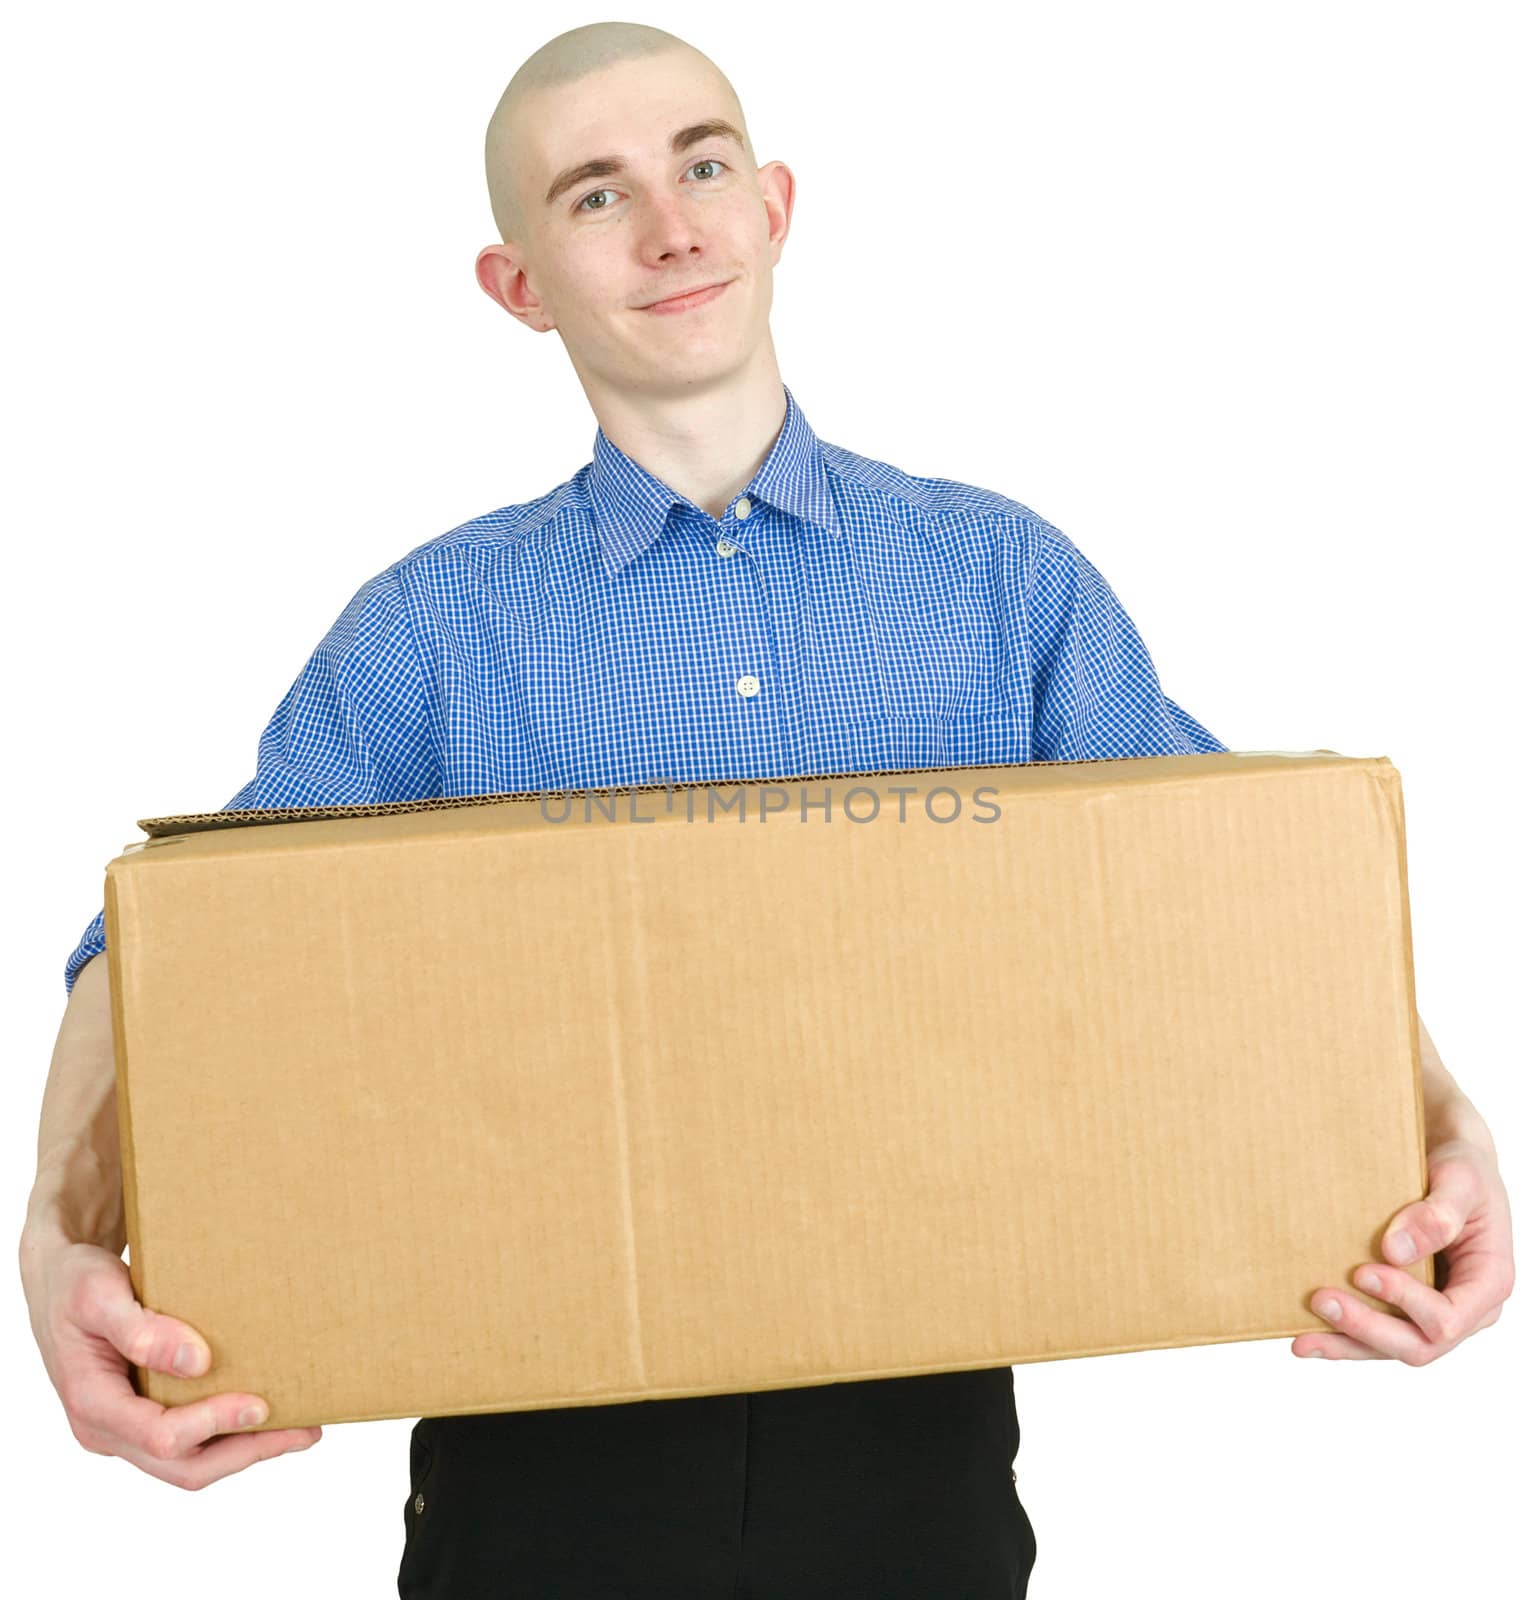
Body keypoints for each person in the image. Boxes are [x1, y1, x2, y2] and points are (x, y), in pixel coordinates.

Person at [20, 19, 1514, 1600]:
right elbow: (162, 949)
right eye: (593, 196)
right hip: (531, 1485)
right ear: (518, 284)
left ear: (774, 204)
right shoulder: (432, 632)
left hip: (920, 1466)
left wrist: (1442, 1130)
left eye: (702, 165)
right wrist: (57, 1239)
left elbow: (1248, 890)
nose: (670, 226)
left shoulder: (995, 583)